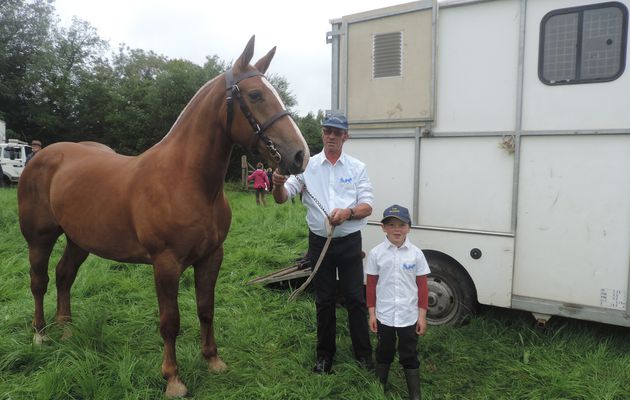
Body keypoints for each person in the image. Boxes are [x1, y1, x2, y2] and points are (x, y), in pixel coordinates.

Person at [272, 114, 374, 374]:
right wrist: (277, 185)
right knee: (324, 299)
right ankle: (324, 357)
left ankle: (364, 356)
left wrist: (347, 213)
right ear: (322, 134)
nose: (331, 136)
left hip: (350, 242)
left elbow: (367, 206)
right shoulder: (308, 166)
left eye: (337, 132)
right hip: (319, 243)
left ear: (345, 137)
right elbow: (283, 198)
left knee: (355, 299)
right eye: (327, 131)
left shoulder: (357, 167)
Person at [365, 204, 430, 400]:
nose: (396, 229)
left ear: (409, 227)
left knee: (409, 353)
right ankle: (379, 387)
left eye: (401, 225)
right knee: (384, 351)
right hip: (384, 315)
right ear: (383, 228)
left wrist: (422, 316)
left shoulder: (416, 254)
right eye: (391, 225)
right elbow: (371, 286)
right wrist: (372, 314)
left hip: (409, 316)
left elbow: (423, 288)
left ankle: (415, 395)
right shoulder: (376, 253)